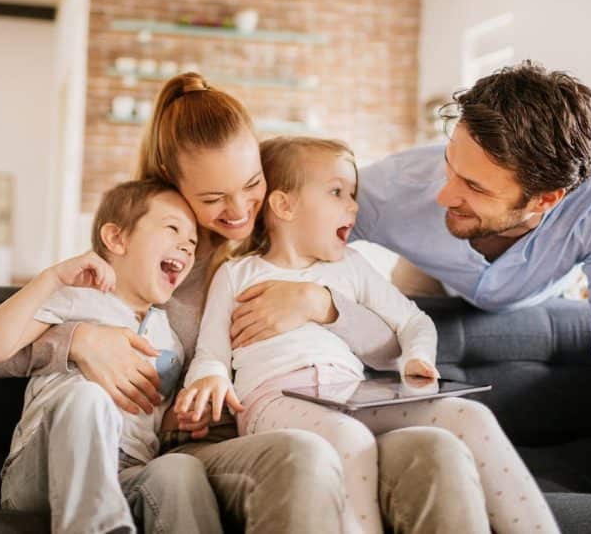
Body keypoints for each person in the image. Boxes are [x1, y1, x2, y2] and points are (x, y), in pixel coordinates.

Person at [0, 73, 491, 533]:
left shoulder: (296, 245)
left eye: (252, 184)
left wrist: (320, 304)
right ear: (175, 191)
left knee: (436, 449)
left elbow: (388, 348)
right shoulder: (153, 259)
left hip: (307, 417)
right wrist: (79, 340)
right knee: (286, 456)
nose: (239, 210)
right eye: (213, 200)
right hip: (208, 445)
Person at [178, 136, 559, 534]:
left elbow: (414, 322)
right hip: (272, 401)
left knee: (471, 415)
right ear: (284, 205)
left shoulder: (351, 267)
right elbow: (211, 353)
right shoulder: (238, 275)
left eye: (353, 193)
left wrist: (417, 358)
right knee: (348, 437)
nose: (354, 206)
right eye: (337, 192)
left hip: (351, 396)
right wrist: (210, 378)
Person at [351, 61, 591, 502]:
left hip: (544, 289)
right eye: (450, 166)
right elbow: (286, 237)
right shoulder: (392, 187)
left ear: (547, 199)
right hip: (426, 277)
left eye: (475, 187)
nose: (444, 195)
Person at [0, 180, 221, 534]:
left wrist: (179, 423)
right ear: (116, 239)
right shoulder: (75, 296)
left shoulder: (171, 338)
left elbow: (150, 422)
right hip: (45, 468)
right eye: (172, 228)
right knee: (86, 396)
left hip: (127, 473)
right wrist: (51, 278)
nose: (186, 245)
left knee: (180, 470)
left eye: (192, 241)